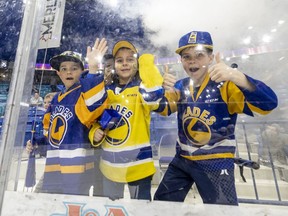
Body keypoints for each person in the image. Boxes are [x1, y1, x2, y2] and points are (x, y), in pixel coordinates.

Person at [153, 30, 278, 205]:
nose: (192, 61)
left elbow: (269, 104)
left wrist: (237, 76)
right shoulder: (180, 85)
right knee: (161, 204)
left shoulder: (226, 85)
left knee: (222, 211)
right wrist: (159, 89)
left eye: (199, 55)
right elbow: (162, 109)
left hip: (216, 163)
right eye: (186, 56)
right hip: (182, 160)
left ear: (211, 57)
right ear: (181, 60)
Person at [88, 40, 164, 200]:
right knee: (112, 210)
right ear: (114, 64)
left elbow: (153, 98)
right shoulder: (106, 91)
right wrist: (94, 132)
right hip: (110, 167)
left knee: (141, 211)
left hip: (138, 166)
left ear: (137, 62)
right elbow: (93, 115)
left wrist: (146, 62)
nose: (125, 64)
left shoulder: (141, 90)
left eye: (130, 59)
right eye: (119, 60)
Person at [39, 37, 108, 195]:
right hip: (54, 164)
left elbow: (94, 105)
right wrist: (36, 142)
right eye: (63, 68)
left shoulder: (84, 93)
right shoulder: (56, 98)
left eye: (74, 68)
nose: (68, 71)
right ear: (58, 73)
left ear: (82, 71)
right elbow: (49, 130)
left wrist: (92, 69)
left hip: (78, 165)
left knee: (74, 205)